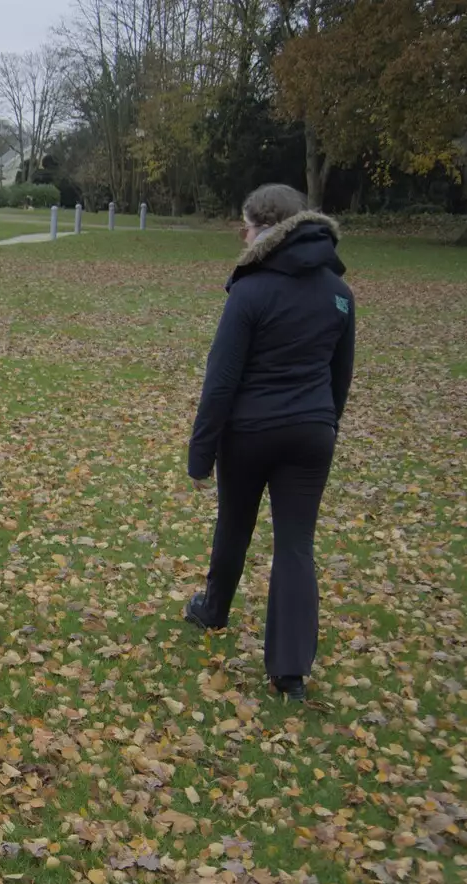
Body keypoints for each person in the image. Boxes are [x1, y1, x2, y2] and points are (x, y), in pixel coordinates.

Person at [184, 184, 355, 701]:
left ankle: (214, 609)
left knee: (235, 522)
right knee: (296, 545)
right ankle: (290, 671)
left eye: (247, 223)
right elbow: (338, 377)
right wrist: (326, 426)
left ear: (266, 228)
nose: (242, 233)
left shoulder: (251, 290)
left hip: (251, 432)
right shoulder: (339, 294)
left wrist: (201, 453)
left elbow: (221, 380)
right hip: (311, 432)